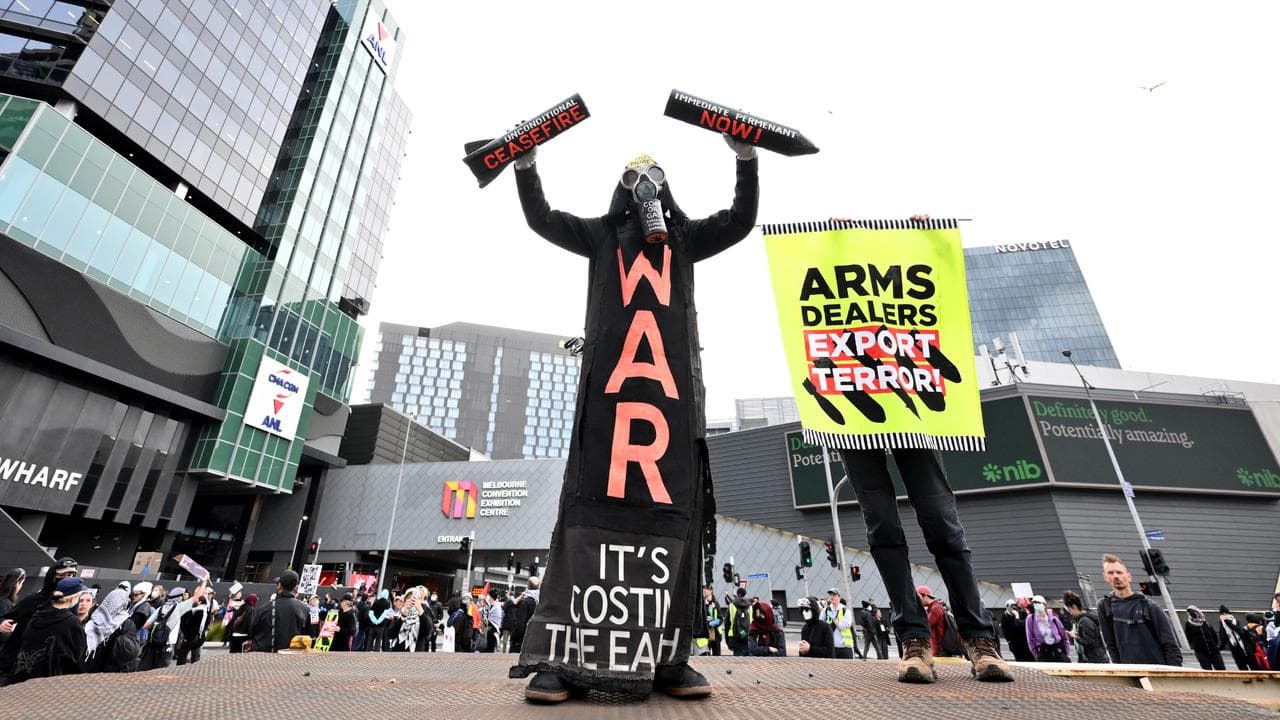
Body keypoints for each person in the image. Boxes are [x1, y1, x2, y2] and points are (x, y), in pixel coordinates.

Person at [508, 136, 759, 704]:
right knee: (587, 510)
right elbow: (542, 218)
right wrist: (526, 166)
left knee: (672, 519)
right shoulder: (601, 235)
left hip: (669, 409)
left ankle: (668, 656)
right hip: (609, 408)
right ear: (619, 191)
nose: (644, 187)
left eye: (654, 177)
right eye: (633, 179)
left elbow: (740, 220)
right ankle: (559, 659)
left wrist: (745, 159)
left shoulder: (685, 238)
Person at [839, 443, 1013, 683]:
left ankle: (978, 637)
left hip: (913, 424)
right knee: (881, 524)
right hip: (852, 427)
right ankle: (914, 639)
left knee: (941, 520)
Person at [0, 557, 77, 681]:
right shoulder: (32, 600)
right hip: (11, 664)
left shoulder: (69, 609)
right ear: (53, 576)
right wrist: (3, 623)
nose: (67, 579)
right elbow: (8, 618)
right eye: (63, 575)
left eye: (71, 575)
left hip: (40, 674)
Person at [1097, 555, 1181, 666]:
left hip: (1157, 670)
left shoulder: (1150, 607)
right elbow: (1111, 644)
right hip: (1129, 672)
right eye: (1110, 573)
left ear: (1129, 576)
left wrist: (1172, 673)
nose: (1116, 576)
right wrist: (1120, 669)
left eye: (1119, 572)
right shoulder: (1104, 606)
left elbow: (1171, 645)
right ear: (1105, 577)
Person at [5, 576, 89, 685]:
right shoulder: (71, 622)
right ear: (73, 597)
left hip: (19, 676)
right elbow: (77, 655)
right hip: (46, 682)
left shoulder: (38, 614)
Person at [250, 571, 309, 652]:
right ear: (295, 587)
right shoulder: (304, 609)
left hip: (264, 655)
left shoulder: (264, 608)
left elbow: (252, 631)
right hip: (291, 655)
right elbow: (306, 635)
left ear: (279, 585)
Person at [85, 582, 131, 660]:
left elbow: (130, 650)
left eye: (117, 601)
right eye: (111, 600)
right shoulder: (96, 616)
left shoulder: (126, 622)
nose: (114, 604)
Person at [1062, 591, 1107, 664]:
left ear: (1074, 607)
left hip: (1093, 660)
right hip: (1096, 658)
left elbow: (1089, 642)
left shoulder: (1084, 621)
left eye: (1070, 610)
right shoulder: (1084, 618)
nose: (1070, 613)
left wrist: (1074, 636)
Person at [1024, 595, 1071, 662]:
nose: (1036, 605)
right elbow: (1030, 639)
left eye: (1039, 603)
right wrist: (1036, 655)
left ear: (1045, 605)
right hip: (1043, 651)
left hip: (1057, 649)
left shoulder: (1054, 618)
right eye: (1034, 603)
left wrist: (1066, 652)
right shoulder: (1030, 619)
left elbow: (1064, 636)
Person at [1183, 606, 1224, 670]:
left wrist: (1215, 645)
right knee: (1207, 671)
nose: (1192, 614)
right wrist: (1195, 646)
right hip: (1201, 652)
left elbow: (1214, 635)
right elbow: (1188, 637)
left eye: (1193, 612)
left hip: (1214, 650)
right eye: (1190, 612)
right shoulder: (1188, 624)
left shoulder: (1205, 622)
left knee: (1221, 670)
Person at [175, 593, 212, 665]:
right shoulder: (206, 611)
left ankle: (180, 669)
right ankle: (194, 670)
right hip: (200, 635)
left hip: (192, 636)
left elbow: (189, 624)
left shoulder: (195, 611)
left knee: (182, 654)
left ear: (200, 602)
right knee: (195, 656)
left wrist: (186, 636)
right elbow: (206, 623)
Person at [824, 588, 859, 659]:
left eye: (834, 595)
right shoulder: (827, 611)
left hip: (845, 647)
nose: (832, 597)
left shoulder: (845, 612)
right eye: (831, 595)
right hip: (832, 647)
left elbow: (843, 627)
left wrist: (836, 621)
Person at [507, 578, 539, 654]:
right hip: (532, 637)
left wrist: (514, 637)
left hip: (520, 639)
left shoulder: (525, 602)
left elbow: (520, 625)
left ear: (527, 586)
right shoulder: (539, 603)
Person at [723, 587, 753, 657]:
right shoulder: (750, 607)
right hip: (747, 635)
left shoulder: (731, 605)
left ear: (737, 594)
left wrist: (727, 639)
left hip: (734, 635)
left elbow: (727, 623)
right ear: (745, 594)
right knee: (748, 657)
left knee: (738, 658)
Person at [700, 586, 723, 656]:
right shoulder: (701, 603)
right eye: (704, 589)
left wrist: (712, 623)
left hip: (715, 634)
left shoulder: (716, 603)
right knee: (705, 656)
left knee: (717, 656)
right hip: (704, 634)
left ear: (711, 591)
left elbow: (720, 619)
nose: (704, 590)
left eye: (706, 589)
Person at [484, 589, 502, 653]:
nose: (487, 597)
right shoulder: (489, 606)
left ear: (490, 596)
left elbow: (497, 618)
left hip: (493, 630)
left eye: (488, 595)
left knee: (490, 649)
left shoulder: (497, 607)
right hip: (488, 630)